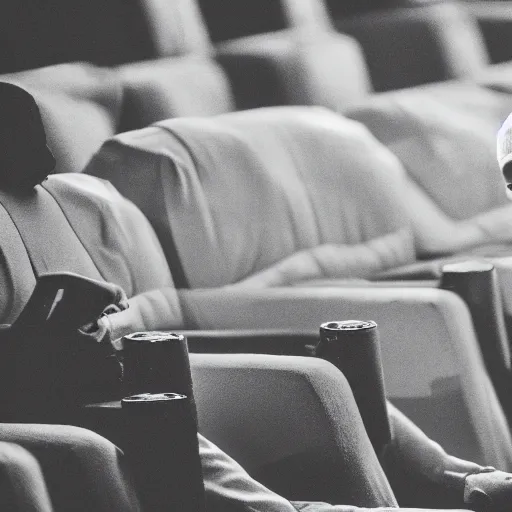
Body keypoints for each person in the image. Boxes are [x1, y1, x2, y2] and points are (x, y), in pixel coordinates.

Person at [0, 81, 511, 511]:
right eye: (22, 138)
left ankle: (459, 479)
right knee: (154, 419)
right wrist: (35, 346)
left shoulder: (78, 206)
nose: (45, 156)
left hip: (103, 366)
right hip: (49, 396)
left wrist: (88, 326)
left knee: (312, 362)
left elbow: (138, 315)